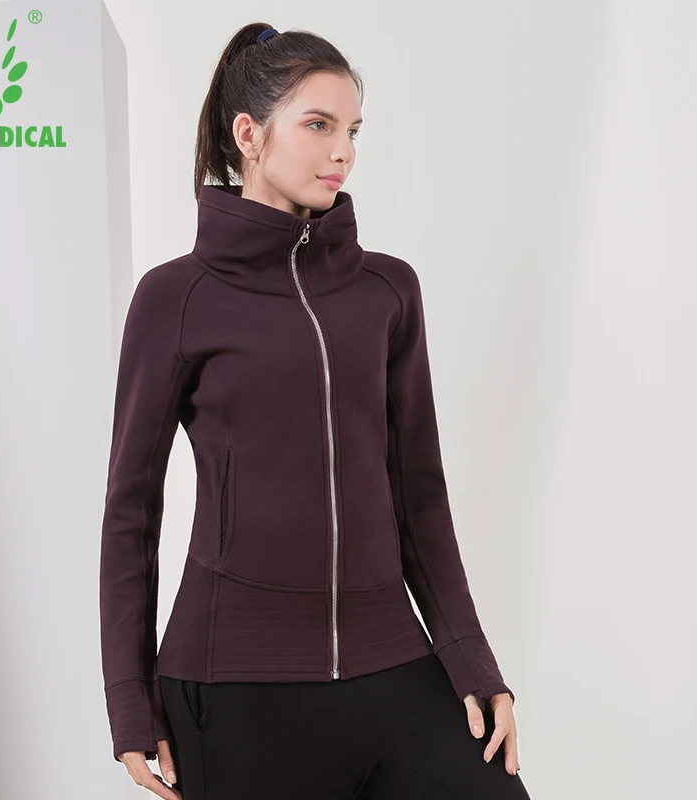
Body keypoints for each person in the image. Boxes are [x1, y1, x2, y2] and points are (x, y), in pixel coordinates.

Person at [99, 22, 531, 800]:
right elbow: (131, 512)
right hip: (235, 682)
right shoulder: (177, 298)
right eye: (319, 125)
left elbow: (420, 497)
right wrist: (129, 701)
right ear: (249, 136)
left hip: (394, 663)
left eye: (353, 130)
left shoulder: (386, 291)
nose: (344, 152)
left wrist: (472, 660)